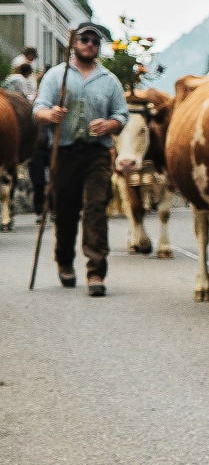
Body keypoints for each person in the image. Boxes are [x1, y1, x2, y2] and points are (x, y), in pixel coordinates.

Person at [33, 22, 129, 296]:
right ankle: (64, 262)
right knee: (65, 211)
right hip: (63, 152)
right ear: (74, 43)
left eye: (95, 42)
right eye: (85, 39)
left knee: (96, 208)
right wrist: (49, 115)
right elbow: (37, 109)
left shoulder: (109, 80)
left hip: (96, 153)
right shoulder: (56, 75)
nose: (90, 44)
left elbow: (122, 115)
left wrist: (110, 125)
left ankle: (96, 270)